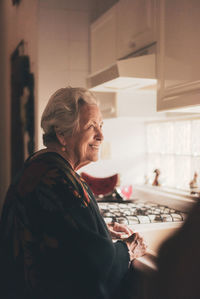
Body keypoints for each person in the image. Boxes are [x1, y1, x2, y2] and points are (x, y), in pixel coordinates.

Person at [0, 87, 146, 299]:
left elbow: (58, 231)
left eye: (101, 126)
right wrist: (128, 249)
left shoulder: (40, 164)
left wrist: (97, 228)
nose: (101, 136)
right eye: (91, 126)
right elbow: (96, 268)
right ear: (62, 134)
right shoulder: (59, 180)